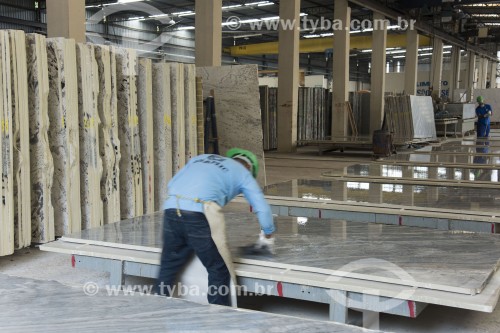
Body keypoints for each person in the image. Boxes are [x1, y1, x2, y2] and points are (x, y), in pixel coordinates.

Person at [156, 148, 275, 306]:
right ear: (249, 167)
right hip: (199, 212)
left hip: (171, 208)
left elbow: (172, 183)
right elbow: (262, 207)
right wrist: (268, 233)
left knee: (169, 265)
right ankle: (219, 316)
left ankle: (155, 306)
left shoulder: (201, 158)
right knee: (218, 269)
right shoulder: (243, 173)